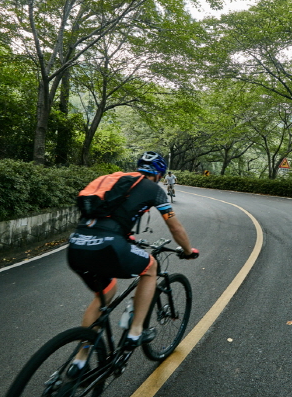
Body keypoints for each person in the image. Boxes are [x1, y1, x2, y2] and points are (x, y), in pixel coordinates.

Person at [66, 151, 198, 375]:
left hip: (77, 246)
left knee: (104, 295)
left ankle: (80, 359)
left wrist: (124, 236)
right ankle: (136, 331)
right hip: (108, 248)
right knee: (151, 267)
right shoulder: (153, 189)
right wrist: (187, 250)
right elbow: (174, 226)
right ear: (159, 173)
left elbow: (107, 216)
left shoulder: (117, 180)